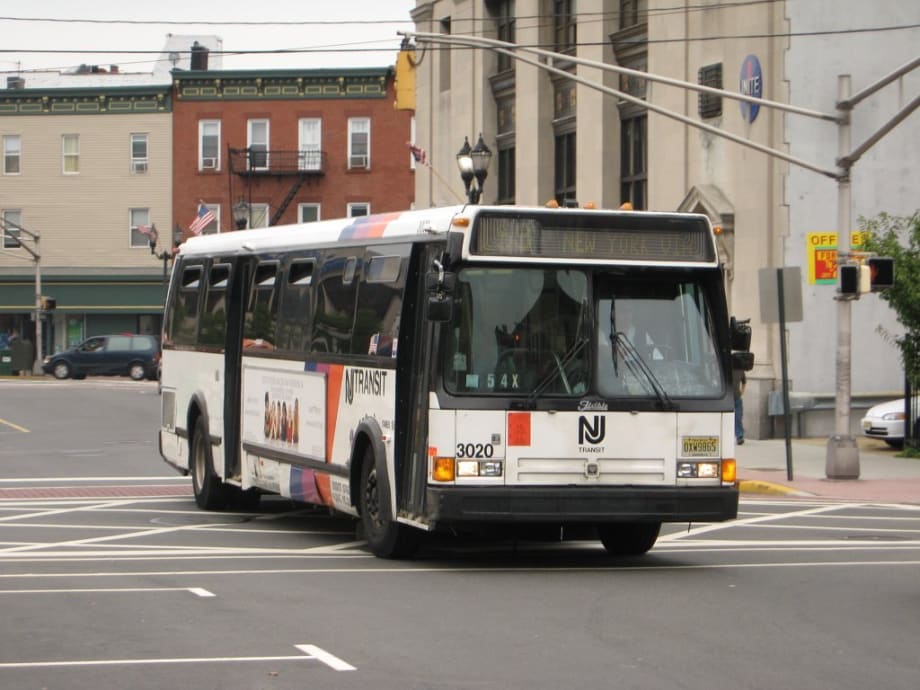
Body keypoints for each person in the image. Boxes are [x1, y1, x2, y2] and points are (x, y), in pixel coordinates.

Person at [733, 368, 746, 444]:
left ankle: (739, 436)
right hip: (727, 398)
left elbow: (744, 381)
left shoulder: (740, 370)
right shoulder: (726, 369)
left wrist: (742, 392)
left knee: (738, 417)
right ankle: (739, 435)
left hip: (737, 398)